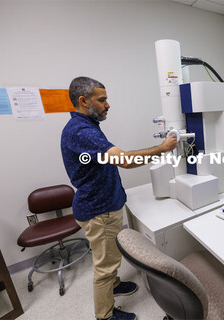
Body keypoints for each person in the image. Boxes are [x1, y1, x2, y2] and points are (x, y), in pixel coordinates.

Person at [61, 76, 177, 320]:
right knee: (104, 267)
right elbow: (124, 160)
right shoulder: (82, 131)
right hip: (98, 210)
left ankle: (114, 285)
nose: (108, 104)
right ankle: (105, 315)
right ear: (83, 101)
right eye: (102, 100)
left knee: (109, 254)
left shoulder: (87, 126)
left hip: (104, 205)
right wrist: (162, 149)